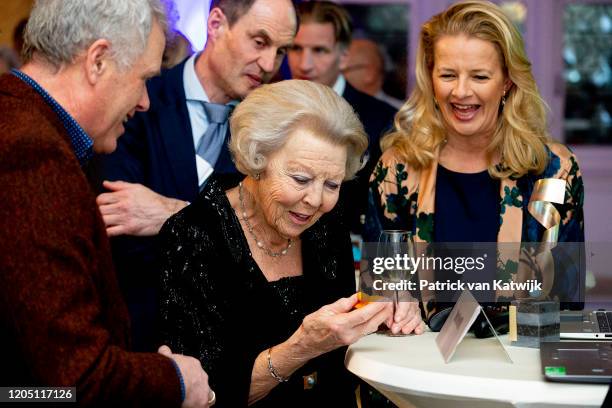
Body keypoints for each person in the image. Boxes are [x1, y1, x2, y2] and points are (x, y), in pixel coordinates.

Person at [159, 80, 424, 407]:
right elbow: (202, 394)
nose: (315, 200)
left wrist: (384, 312)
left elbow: (343, 351)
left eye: (332, 183)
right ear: (258, 157)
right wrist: (301, 347)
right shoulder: (193, 235)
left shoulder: (327, 221)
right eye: (300, 179)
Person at [0, 1, 213, 406]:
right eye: (144, 78)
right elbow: (72, 378)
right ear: (97, 60)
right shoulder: (30, 154)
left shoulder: (19, 118)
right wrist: (176, 380)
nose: (146, 101)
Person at [93, 0, 298, 351]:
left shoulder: (277, 130)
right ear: (216, 24)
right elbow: (120, 230)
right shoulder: (140, 102)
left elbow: (274, 242)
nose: (268, 64)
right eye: (259, 42)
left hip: (238, 346)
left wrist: (173, 213)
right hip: (139, 342)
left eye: (281, 51)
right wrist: (228, 231)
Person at [367, 0, 585, 322]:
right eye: (448, 75)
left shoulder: (553, 171)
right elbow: (378, 291)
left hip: (516, 365)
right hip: (417, 363)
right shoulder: (398, 170)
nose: (461, 92)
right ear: (430, 77)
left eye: (480, 77)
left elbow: (565, 301)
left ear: (508, 81)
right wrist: (394, 306)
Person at [287, 1, 397, 235]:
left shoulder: (382, 120)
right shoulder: (269, 110)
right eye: (296, 49)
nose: (304, 64)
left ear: (344, 56)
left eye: (319, 50)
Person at [344, 38, 403, 109]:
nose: (337, 75)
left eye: (344, 70)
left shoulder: (399, 114)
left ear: (370, 73)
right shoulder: (334, 109)